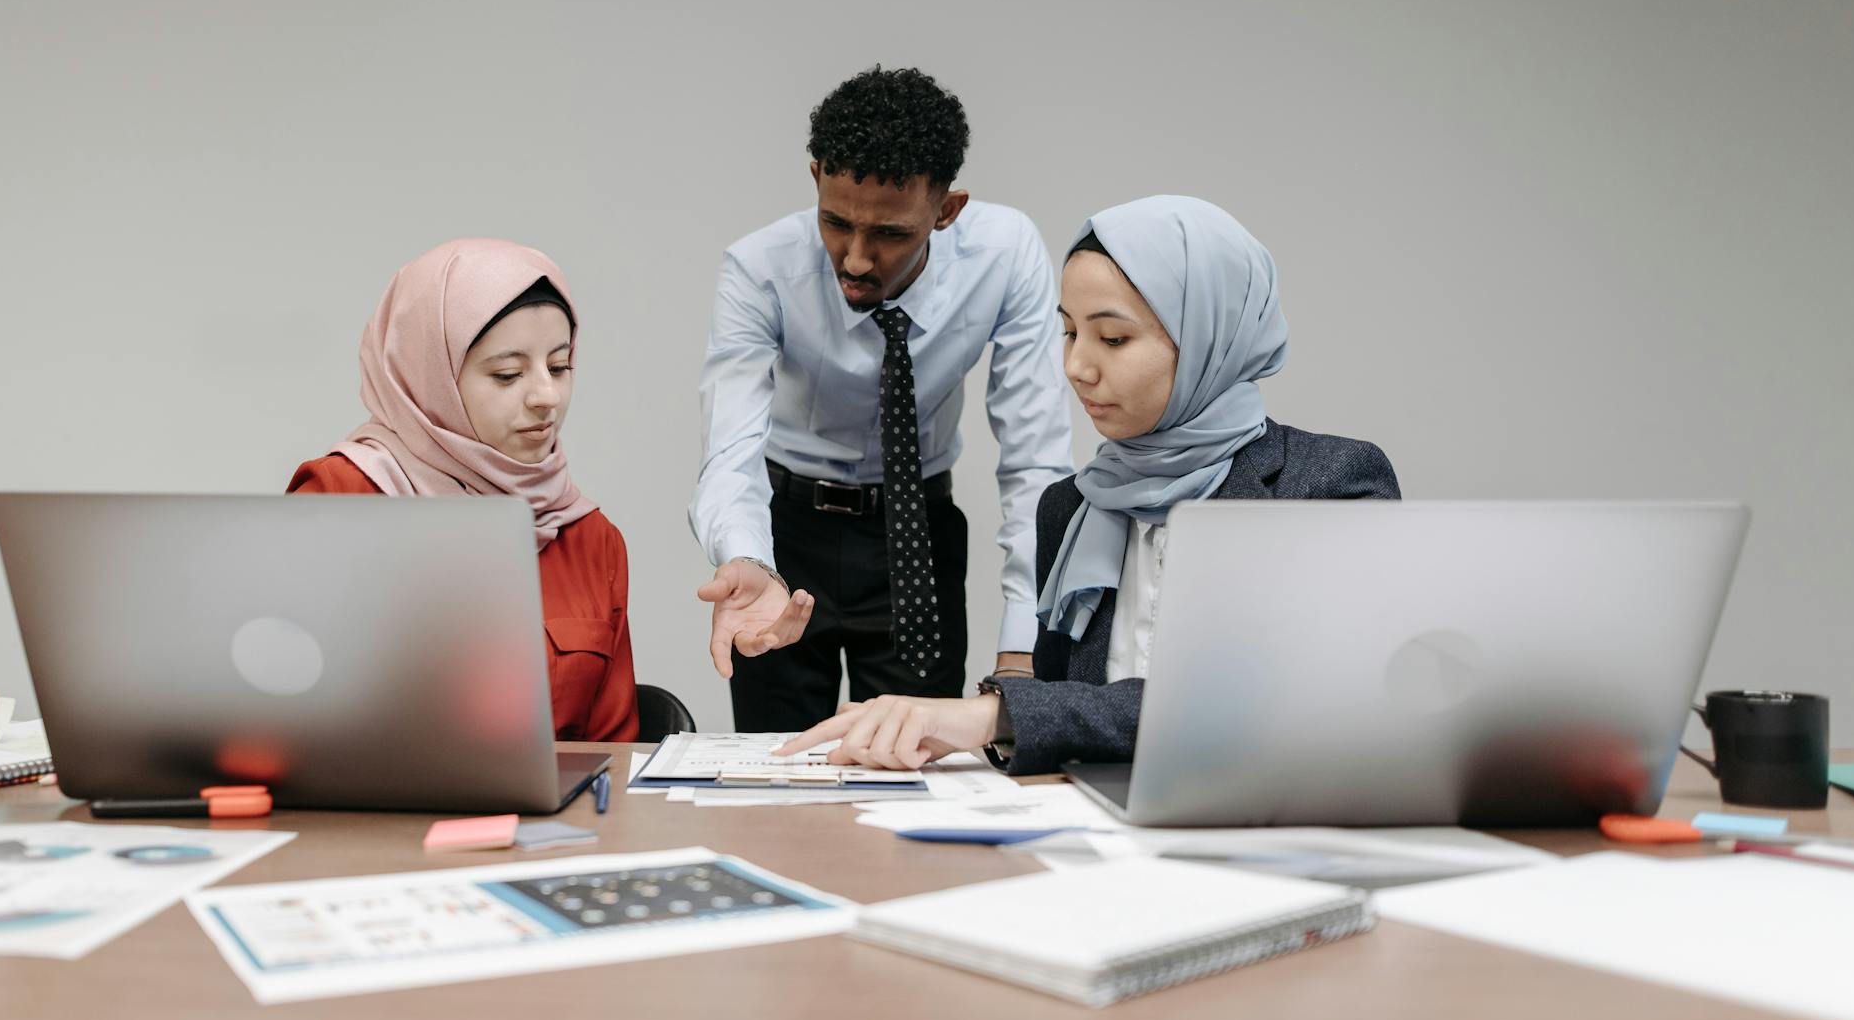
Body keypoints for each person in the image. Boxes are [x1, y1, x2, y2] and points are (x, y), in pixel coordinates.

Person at [776, 195, 1399, 772]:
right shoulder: (1071, 508)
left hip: (1271, 829)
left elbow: (1280, 703)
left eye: (1113, 338)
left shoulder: (1327, 486)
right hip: (1098, 834)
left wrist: (995, 715)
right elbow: (1062, 729)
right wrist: (973, 728)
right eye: (1070, 332)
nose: (1076, 367)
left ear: (1212, 336)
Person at [691, 66, 1076, 731]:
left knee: (910, 761)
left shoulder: (1005, 254)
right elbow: (730, 449)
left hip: (917, 535)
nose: (857, 258)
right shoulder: (760, 268)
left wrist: (1023, 643)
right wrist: (747, 556)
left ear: (946, 210)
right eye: (836, 222)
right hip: (787, 537)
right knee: (773, 765)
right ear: (816, 177)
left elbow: (1035, 459)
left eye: (891, 234)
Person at [287, 238, 637, 742]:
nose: (547, 396)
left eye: (560, 367)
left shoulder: (590, 538)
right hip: (367, 795)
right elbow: (277, 714)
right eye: (508, 374)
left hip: (550, 799)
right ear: (431, 377)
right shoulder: (341, 497)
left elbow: (614, 758)